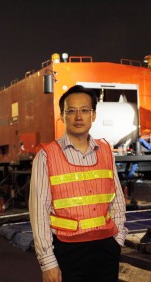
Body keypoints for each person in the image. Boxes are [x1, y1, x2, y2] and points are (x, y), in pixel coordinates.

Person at [29, 85, 128, 282]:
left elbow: (116, 200)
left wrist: (117, 241)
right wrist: (48, 262)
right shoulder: (46, 156)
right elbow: (39, 212)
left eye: (84, 110)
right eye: (71, 111)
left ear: (93, 115)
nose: (78, 117)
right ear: (62, 115)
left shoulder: (106, 151)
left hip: (105, 248)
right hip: (67, 250)